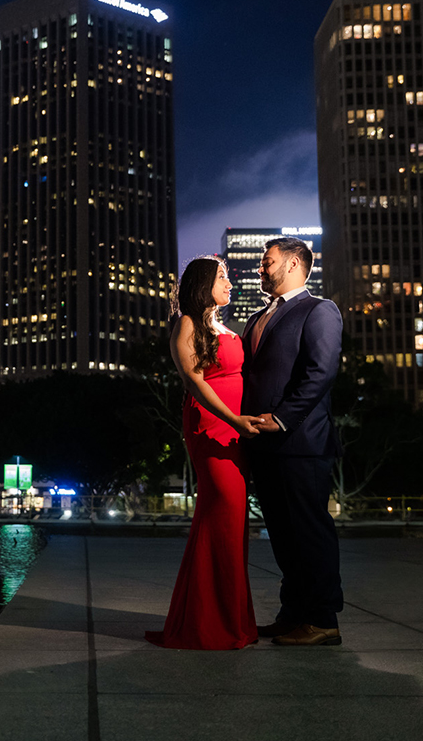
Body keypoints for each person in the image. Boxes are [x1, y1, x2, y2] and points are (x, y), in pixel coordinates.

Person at [145, 256, 261, 650]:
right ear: (202, 283)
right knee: (223, 512)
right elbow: (193, 381)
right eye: (222, 277)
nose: (230, 283)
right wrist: (234, 418)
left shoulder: (224, 327)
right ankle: (210, 624)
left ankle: (229, 620)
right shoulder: (188, 324)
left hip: (238, 431)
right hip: (212, 427)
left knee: (232, 520)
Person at [240, 236, 345, 646]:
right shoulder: (255, 319)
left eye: (267, 262)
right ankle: (293, 613)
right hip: (263, 445)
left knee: (310, 532)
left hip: (302, 443)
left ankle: (322, 620)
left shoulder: (320, 311)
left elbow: (321, 372)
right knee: (283, 536)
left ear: (294, 264)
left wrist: (282, 419)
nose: (260, 269)